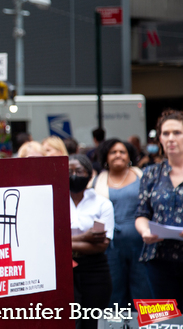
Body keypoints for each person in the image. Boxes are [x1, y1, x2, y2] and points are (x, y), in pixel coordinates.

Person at [92, 138, 151, 307]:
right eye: (113, 152)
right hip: (110, 247)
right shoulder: (96, 182)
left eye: (122, 152)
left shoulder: (142, 176)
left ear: (129, 156)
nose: (118, 155)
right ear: (105, 156)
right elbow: (95, 214)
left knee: (143, 290)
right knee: (113, 291)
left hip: (140, 243)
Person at [136, 109, 183, 307]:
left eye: (177, 133)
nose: (171, 138)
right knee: (165, 317)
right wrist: (145, 230)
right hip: (158, 257)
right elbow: (141, 213)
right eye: (166, 133)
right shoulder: (151, 173)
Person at [69, 154, 114, 329]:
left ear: (89, 174)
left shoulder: (102, 204)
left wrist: (62, 242)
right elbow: (47, 240)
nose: (73, 175)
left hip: (95, 269)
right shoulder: (54, 202)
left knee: (92, 320)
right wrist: (84, 237)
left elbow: (102, 245)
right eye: (69, 171)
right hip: (63, 268)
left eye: (79, 171)